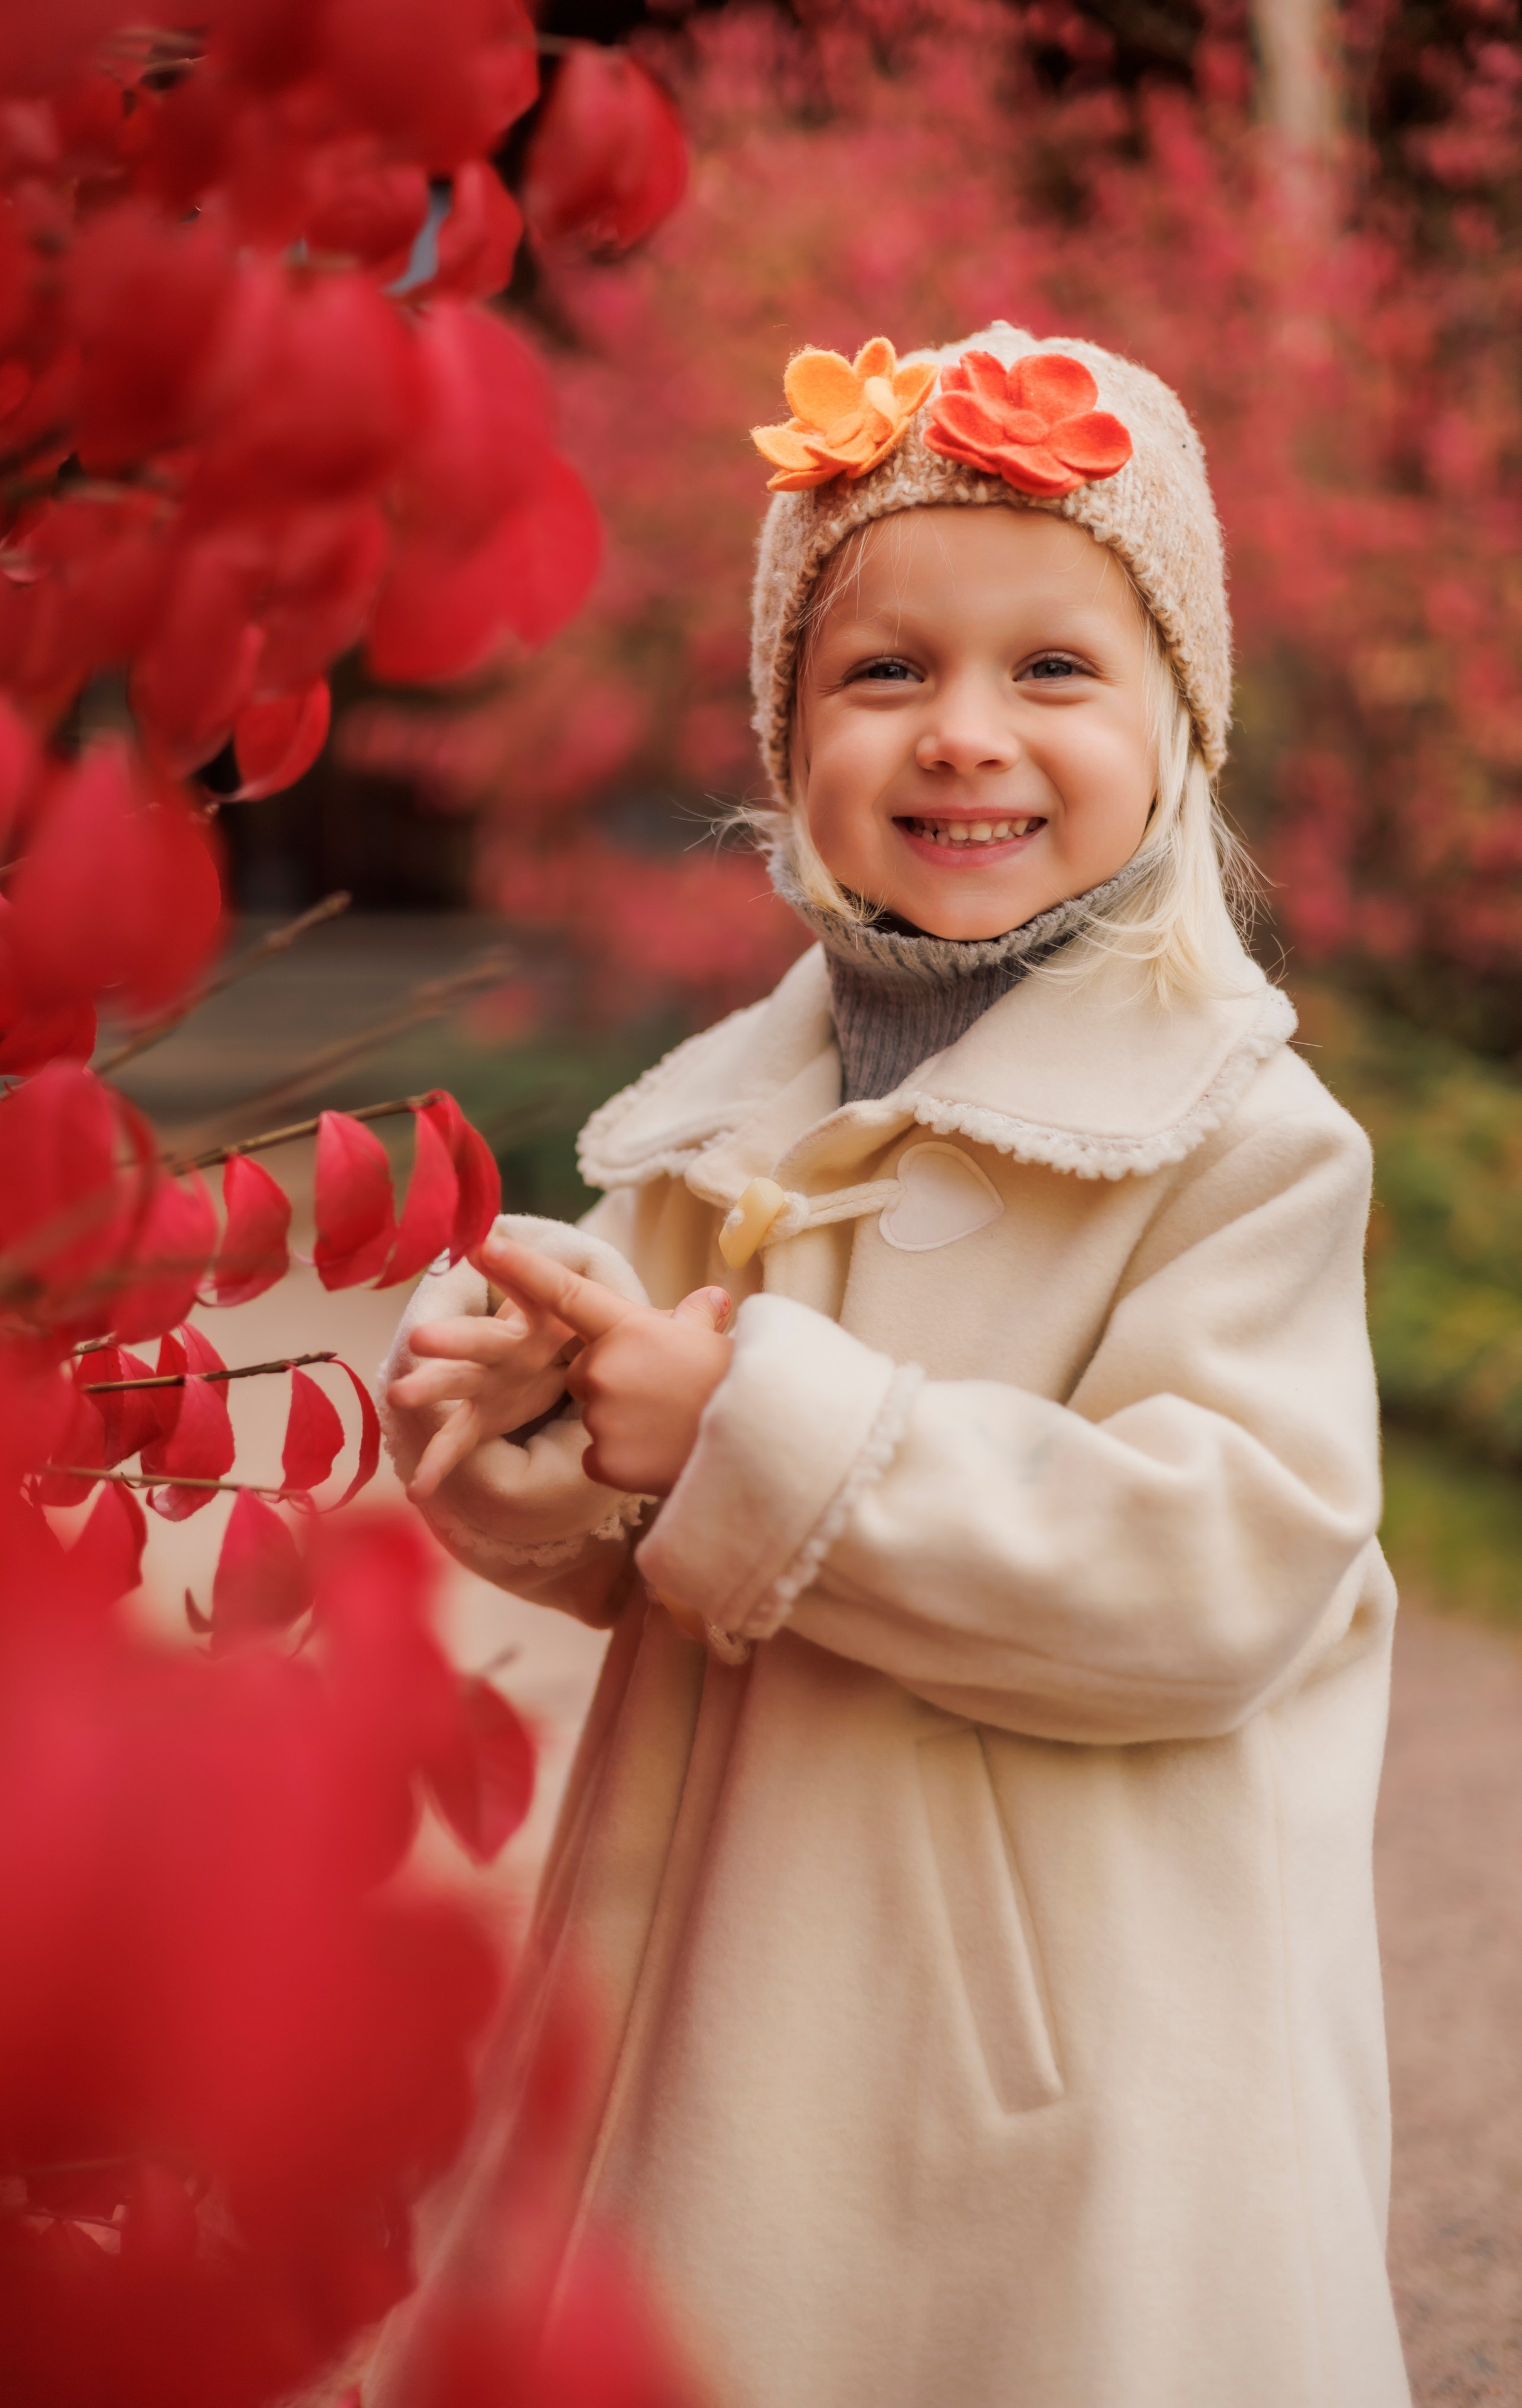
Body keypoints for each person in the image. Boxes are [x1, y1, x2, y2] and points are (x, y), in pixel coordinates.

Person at [368, 325, 1412, 2408]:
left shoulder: (1235, 1143)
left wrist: (747, 1420)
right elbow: (635, 1539)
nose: (963, 736)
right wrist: (545, 1425)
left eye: (1052, 669)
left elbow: (1215, 1574)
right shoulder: (719, 1125)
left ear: (1177, 721)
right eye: (881, 672)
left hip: (1058, 2052)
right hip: (720, 1999)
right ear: (785, 742)